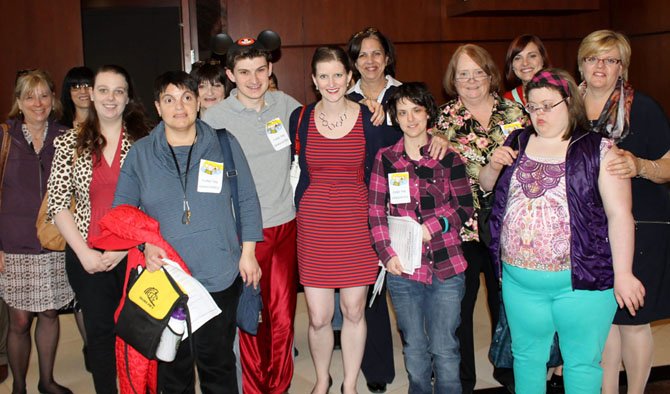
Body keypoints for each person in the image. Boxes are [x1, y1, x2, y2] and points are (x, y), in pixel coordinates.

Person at [479, 68, 645, 394]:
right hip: (519, 282)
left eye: (547, 105)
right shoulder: (517, 141)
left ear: (569, 102)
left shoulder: (600, 150)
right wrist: (494, 164)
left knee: (581, 363)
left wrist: (624, 273)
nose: (538, 114)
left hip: (582, 283)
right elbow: (486, 186)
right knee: (525, 359)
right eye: (532, 106)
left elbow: (620, 215)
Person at [114, 70, 263, 393]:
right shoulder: (140, 154)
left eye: (186, 98)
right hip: (168, 278)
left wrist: (249, 252)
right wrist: (145, 245)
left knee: (218, 363)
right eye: (169, 99)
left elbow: (249, 200)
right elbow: (122, 212)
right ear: (158, 106)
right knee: (173, 370)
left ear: (198, 103)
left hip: (219, 274)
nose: (178, 107)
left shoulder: (223, 144)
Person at [290, 45, 395, 394]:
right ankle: (323, 379)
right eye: (323, 75)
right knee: (318, 316)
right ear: (314, 80)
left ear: (349, 77)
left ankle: (349, 383)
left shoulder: (370, 117)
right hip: (314, 224)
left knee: (353, 310)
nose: (331, 82)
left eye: (338, 74)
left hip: (356, 223)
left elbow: (397, 153)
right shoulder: (300, 118)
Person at [202, 37, 301, 394]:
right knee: (251, 318)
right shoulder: (213, 118)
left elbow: (327, 123)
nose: (254, 79)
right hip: (244, 235)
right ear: (230, 75)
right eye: (244, 72)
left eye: (260, 70)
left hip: (285, 226)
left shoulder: (286, 105)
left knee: (283, 318)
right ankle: (257, 390)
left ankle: (280, 388)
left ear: (270, 69)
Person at [576, 30, 670, 394]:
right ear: (581, 63)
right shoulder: (566, 107)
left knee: (632, 318)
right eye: (593, 58)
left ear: (622, 68)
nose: (600, 66)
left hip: (642, 225)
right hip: (589, 228)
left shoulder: (642, 108)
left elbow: (667, 165)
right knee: (602, 321)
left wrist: (639, 165)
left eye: (610, 60)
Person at [47, 65, 151, 394]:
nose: (110, 98)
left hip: (135, 254)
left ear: (128, 97)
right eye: (103, 90)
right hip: (86, 255)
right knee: (100, 334)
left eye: (118, 91)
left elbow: (152, 203)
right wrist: (85, 253)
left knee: (142, 332)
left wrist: (121, 250)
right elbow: (57, 203)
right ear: (91, 94)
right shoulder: (70, 142)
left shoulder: (145, 143)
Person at [433, 44, 528, 393]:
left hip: (513, 223)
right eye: (463, 74)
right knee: (460, 305)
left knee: (508, 303)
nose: (471, 80)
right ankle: (462, 380)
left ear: (490, 74)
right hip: (463, 227)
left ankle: (510, 372)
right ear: (452, 80)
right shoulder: (443, 121)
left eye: (478, 72)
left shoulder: (515, 112)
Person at [369, 82, 474, 393]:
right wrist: (387, 254)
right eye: (402, 113)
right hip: (403, 267)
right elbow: (375, 211)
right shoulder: (385, 159)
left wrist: (438, 224)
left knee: (445, 347)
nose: (410, 119)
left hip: (446, 264)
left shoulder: (448, 157)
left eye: (416, 110)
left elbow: (465, 206)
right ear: (395, 118)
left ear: (429, 113)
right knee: (414, 348)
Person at [0, 69, 73, 394]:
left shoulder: (66, 136)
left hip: (54, 242)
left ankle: (46, 381)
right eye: (29, 96)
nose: (38, 102)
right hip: (13, 244)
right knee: (19, 320)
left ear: (53, 98)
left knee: (49, 311)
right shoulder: (5, 136)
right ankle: (18, 386)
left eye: (44, 94)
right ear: (18, 101)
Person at [344, 26, 402, 393]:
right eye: (362, 54)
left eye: (376, 53)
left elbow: (425, 136)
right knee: (372, 289)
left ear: (387, 57)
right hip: (360, 204)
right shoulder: (342, 98)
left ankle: (423, 358)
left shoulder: (404, 95)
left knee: (408, 285)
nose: (370, 60)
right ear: (354, 62)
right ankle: (377, 369)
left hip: (404, 202)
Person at [58, 65, 94, 371]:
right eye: (76, 86)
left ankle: (97, 347)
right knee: (80, 298)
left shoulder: (108, 125)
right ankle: (91, 346)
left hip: (100, 225)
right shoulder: (60, 132)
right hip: (70, 224)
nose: (82, 91)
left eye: (88, 84)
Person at [503, 35, 551, 106]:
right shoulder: (508, 100)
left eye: (532, 56)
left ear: (543, 59)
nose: (525, 63)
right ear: (512, 66)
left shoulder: (559, 92)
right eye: (518, 58)